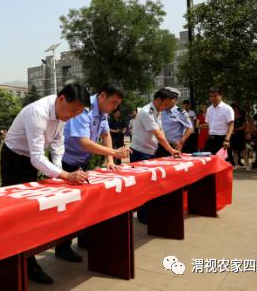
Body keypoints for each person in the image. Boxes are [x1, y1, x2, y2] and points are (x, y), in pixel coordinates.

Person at [0, 82, 91, 285]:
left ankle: (34, 255)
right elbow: (37, 156)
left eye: (79, 112)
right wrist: (65, 175)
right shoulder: (38, 112)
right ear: (61, 99)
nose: (74, 115)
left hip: (31, 161)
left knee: (31, 211)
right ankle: (26, 263)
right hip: (15, 158)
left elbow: (57, 145)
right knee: (19, 213)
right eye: (73, 110)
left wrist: (57, 172)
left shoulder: (62, 114)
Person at [57, 84, 131, 263]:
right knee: (67, 205)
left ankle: (84, 238)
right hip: (64, 161)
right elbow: (83, 141)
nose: (114, 108)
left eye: (117, 105)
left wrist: (111, 161)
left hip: (81, 161)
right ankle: (62, 247)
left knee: (84, 202)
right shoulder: (84, 107)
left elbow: (106, 135)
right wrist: (114, 153)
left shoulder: (103, 111)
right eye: (113, 102)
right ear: (102, 95)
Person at [130, 88, 181, 224]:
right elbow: (157, 134)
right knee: (142, 186)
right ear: (158, 100)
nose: (165, 108)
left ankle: (149, 211)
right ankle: (143, 216)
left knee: (151, 185)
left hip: (150, 152)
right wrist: (170, 150)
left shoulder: (157, 111)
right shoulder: (147, 112)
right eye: (165, 104)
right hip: (140, 153)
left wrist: (169, 147)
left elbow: (161, 131)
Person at [156, 88, 193, 157]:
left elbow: (189, 128)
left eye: (168, 99)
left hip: (174, 146)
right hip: (161, 146)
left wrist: (181, 142)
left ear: (175, 100)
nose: (165, 101)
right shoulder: (161, 111)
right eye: (165, 99)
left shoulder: (180, 112)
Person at [204, 87, 234, 155]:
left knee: (222, 163)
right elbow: (209, 124)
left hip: (223, 138)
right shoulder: (209, 109)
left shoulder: (227, 108)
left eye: (215, 96)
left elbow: (231, 125)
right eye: (211, 96)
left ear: (220, 96)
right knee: (207, 160)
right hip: (211, 139)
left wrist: (227, 140)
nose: (212, 98)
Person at [230, 103, 248, 169]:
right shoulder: (230, 118)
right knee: (234, 151)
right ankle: (236, 164)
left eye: (236, 110)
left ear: (238, 110)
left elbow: (244, 126)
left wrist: (235, 129)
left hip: (240, 135)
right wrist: (231, 131)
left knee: (244, 150)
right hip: (233, 135)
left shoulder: (242, 117)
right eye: (233, 110)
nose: (235, 111)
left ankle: (247, 165)